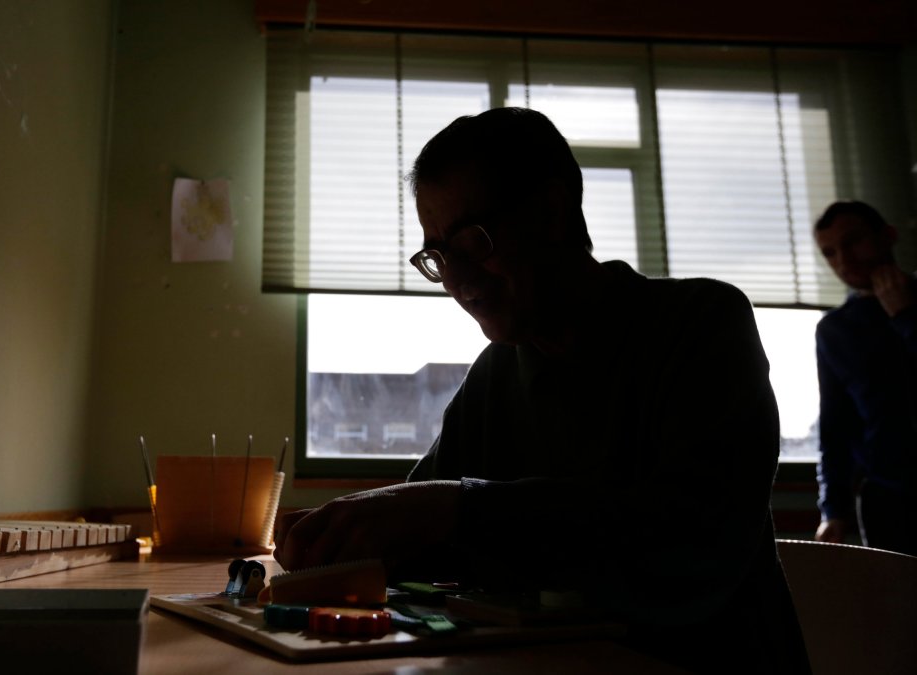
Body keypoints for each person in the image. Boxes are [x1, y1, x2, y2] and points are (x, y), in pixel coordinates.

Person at [275, 107, 810, 673]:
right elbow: (424, 526)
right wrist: (342, 537)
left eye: (474, 241)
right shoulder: (496, 374)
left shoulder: (700, 323)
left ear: (552, 212)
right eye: (438, 255)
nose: (455, 280)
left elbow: (692, 533)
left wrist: (459, 509)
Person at [812, 200, 917, 556]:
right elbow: (835, 424)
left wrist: (904, 316)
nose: (844, 260)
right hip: (887, 496)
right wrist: (833, 510)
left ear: (887, 236)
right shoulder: (834, 330)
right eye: (830, 252)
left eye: (854, 241)